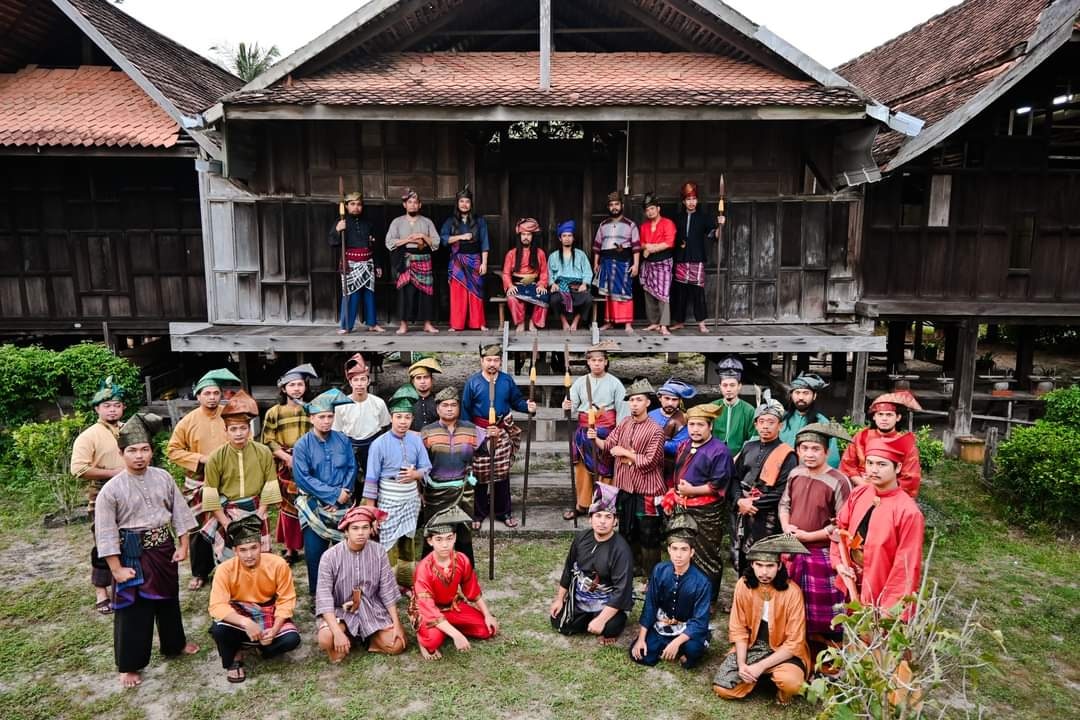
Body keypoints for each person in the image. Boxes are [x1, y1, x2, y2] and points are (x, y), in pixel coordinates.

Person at [94, 413, 199, 688]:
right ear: (121, 453)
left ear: (151, 451)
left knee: (168, 599)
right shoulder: (111, 490)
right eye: (132, 451)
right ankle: (129, 665)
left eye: (144, 450)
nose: (139, 456)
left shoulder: (163, 477)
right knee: (133, 610)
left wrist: (183, 544)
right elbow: (105, 533)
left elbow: (180, 512)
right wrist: (116, 568)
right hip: (132, 555)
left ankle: (174, 644)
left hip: (163, 550)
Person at [712, 534, 812, 705]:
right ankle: (757, 677)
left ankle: (776, 689)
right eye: (759, 565)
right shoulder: (743, 585)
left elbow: (794, 642)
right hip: (753, 647)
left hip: (783, 651)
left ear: (779, 566)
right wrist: (742, 664)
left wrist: (760, 666)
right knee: (722, 688)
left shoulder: (792, 592)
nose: (764, 572)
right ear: (752, 564)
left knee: (792, 684)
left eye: (770, 566)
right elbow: (739, 629)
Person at [831, 438, 925, 619]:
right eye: (870, 463)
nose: (873, 470)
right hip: (851, 582)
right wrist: (840, 564)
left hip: (880, 587)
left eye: (882, 464)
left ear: (897, 468)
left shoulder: (908, 512)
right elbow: (840, 529)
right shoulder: (859, 493)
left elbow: (905, 567)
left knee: (874, 641)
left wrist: (889, 611)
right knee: (850, 635)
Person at [167, 367, 242, 590]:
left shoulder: (229, 415)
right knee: (198, 527)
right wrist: (200, 458)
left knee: (229, 522)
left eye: (215, 393)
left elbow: (242, 438)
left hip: (227, 478)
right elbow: (173, 450)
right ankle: (200, 572)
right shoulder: (187, 421)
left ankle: (231, 566)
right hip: (198, 480)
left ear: (221, 395)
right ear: (198, 396)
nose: (211, 397)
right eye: (206, 393)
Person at [780, 422, 852, 650]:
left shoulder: (839, 481)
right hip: (792, 545)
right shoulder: (795, 473)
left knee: (823, 605)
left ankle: (825, 643)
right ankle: (794, 639)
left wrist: (810, 536)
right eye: (805, 448)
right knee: (791, 598)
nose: (809, 454)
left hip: (821, 551)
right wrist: (786, 527)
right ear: (798, 451)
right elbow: (785, 503)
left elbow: (842, 523)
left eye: (815, 449)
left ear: (826, 452)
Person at [208, 515, 300, 683]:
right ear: (235, 551)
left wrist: (274, 629)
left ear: (261, 546)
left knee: (292, 639)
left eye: (253, 548)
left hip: (268, 611)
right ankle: (235, 657)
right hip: (240, 611)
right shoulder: (224, 569)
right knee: (219, 629)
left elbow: (286, 600)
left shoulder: (278, 564)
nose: (249, 555)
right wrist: (246, 623)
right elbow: (217, 606)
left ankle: (258, 647)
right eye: (243, 550)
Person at [589, 378, 666, 578]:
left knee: (649, 534)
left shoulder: (656, 430)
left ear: (648, 402)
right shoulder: (624, 423)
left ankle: (652, 575)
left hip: (647, 490)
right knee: (626, 529)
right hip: (624, 486)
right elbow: (609, 445)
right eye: (631, 400)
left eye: (638, 400)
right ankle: (630, 568)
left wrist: (626, 453)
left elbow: (650, 461)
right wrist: (595, 438)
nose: (634, 404)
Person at [661, 403, 734, 602]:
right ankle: (684, 593)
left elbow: (718, 484)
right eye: (692, 424)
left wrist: (692, 490)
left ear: (710, 426)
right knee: (681, 549)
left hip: (706, 510)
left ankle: (708, 600)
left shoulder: (720, 451)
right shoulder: (684, 445)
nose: (695, 429)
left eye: (700, 425)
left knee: (706, 555)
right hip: (681, 506)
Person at [316, 505, 407, 662]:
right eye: (355, 528)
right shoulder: (329, 557)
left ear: (371, 529)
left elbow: (387, 590)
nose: (360, 533)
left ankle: (368, 636)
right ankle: (347, 635)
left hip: (371, 609)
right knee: (326, 638)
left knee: (397, 645)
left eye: (365, 527)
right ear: (346, 531)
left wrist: (396, 623)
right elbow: (324, 597)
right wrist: (337, 633)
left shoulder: (378, 551)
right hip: (340, 611)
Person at [363, 386, 432, 589]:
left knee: (408, 542)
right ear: (392, 418)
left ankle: (407, 583)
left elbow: (427, 467)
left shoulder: (416, 440)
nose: (403, 422)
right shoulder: (379, 444)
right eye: (399, 417)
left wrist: (415, 474)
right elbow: (371, 479)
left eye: (408, 417)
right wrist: (371, 510)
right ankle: (388, 586)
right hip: (388, 500)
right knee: (388, 544)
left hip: (410, 499)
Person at [461, 342, 536, 529]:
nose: (492, 364)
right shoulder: (473, 382)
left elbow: (516, 400)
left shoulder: (506, 380)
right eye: (488, 360)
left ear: (500, 362)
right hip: (480, 432)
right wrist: (470, 434)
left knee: (501, 474)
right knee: (478, 474)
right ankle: (478, 513)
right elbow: (465, 410)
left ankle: (503, 512)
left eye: (495, 360)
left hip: (501, 431)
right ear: (481, 361)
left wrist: (527, 406)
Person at [201, 390, 281, 564]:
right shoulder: (216, 457)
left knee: (260, 555)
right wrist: (225, 522)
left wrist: (260, 514)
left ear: (249, 430)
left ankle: (262, 588)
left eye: (243, 428)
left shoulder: (263, 452)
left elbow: (270, 484)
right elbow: (210, 493)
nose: (239, 433)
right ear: (226, 431)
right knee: (231, 559)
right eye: (234, 429)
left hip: (257, 508)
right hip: (229, 512)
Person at [411, 506, 499, 660]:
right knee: (432, 642)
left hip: (452, 606)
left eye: (449, 538)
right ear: (430, 541)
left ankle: (447, 627)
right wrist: (456, 635)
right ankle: (424, 637)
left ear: (455, 538)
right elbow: (428, 608)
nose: (445, 545)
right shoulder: (423, 569)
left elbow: (472, 591)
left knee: (487, 630)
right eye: (439, 539)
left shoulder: (462, 560)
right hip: (428, 611)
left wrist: (487, 615)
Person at [550, 485, 634, 645]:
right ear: (590, 518)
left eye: (608, 517)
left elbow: (622, 590)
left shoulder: (621, 549)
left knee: (610, 628)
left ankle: (611, 618)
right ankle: (587, 618)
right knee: (559, 622)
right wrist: (559, 599)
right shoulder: (581, 538)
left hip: (606, 602)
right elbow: (569, 569)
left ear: (615, 521)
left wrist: (601, 620)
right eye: (598, 516)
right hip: (582, 597)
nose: (602, 521)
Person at [293, 388, 357, 597]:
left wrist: (342, 495)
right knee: (315, 555)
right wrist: (331, 495)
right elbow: (303, 477)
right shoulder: (302, 445)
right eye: (321, 417)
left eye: (330, 416)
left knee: (344, 554)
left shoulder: (342, 440)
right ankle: (317, 595)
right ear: (312, 418)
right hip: (314, 506)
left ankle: (342, 593)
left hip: (342, 504)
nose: (326, 421)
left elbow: (351, 467)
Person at [71, 376, 126, 614]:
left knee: (128, 538)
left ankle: (123, 585)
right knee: (104, 541)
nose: (112, 409)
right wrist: (114, 472)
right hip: (101, 492)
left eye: (116, 405)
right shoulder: (89, 435)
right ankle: (101, 591)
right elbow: (79, 469)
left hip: (129, 491)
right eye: (107, 405)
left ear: (123, 407)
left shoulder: (129, 429)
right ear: (97, 408)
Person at [630, 514, 713, 669]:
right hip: (664, 624)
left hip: (687, 627)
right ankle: (666, 645)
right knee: (640, 655)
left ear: (692, 552)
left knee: (692, 653)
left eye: (684, 549)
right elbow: (650, 605)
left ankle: (688, 644)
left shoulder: (702, 582)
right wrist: (641, 638)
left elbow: (700, 620)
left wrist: (676, 642)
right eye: (674, 548)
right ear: (668, 550)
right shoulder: (660, 570)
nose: (679, 555)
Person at [731, 391, 798, 574]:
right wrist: (739, 500)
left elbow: (783, 491)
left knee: (763, 558)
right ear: (755, 424)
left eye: (771, 422)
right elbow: (734, 478)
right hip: (742, 510)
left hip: (767, 515)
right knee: (740, 556)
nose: (765, 427)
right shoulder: (748, 447)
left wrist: (753, 503)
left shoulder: (788, 455)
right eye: (761, 422)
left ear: (780, 425)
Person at [561, 342, 627, 520]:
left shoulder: (615, 383)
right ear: (588, 363)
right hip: (584, 432)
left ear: (606, 362)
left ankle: (604, 505)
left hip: (607, 432)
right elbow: (572, 407)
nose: (597, 363)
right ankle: (582, 505)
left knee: (606, 469)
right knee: (583, 469)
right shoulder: (580, 383)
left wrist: (619, 434)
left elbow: (622, 410)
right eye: (593, 360)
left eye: (600, 360)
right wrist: (567, 405)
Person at [420, 386, 484, 566]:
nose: (449, 408)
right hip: (435, 492)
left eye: (453, 405)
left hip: (464, 490)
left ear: (459, 407)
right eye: (445, 405)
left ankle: (466, 572)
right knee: (433, 533)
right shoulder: (427, 432)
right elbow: (420, 464)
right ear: (437, 408)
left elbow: (487, 452)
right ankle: (429, 573)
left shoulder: (472, 430)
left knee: (464, 535)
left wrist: (493, 438)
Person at [261, 364, 318, 564]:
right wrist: (287, 458)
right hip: (285, 465)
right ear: (283, 389)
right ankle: (290, 548)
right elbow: (268, 439)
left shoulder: (311, 410)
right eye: (291, 385)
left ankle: (312, 543)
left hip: (309, 462)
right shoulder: (275, 412)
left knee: (309, 503)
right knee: (288, 506)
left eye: (300, 384)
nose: (296, 389)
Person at [840, 391, 923, 498]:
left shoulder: (905, 443)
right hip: (860, 489)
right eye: (880, 414)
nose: (884, 419)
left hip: (891, 495)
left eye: (889, 415)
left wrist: (881, 490)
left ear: (898, 417)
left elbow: (910, 478)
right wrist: (865, 485)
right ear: (874, 417)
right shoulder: (862, 436)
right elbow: (847, 466)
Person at [386, 187, 440, 335]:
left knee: (426, 293)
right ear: (405, 205)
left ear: (420, 205)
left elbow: (436, 243)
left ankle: (427, 324)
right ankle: (404, 325)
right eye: (409, 202)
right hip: (405, 259)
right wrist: (408, 240)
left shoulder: (427, 222)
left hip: (423, 259)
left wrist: (423, 236)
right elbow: (389, 242)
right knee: (405, 293)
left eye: (415, 202)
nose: (413, 205)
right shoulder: (397, 222)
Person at [332, 354, 391, 491]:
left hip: (373, 445)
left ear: (368, 381)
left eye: (362, 379)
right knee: (350, 483)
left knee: (374, 481)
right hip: (349, 445)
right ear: (350, 382)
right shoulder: (341, 405)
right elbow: (337, 431)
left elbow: (384, 426)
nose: (359, 384)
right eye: (356, 380)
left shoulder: (378, 403)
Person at [329, 190, 384, 334]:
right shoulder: (341, 222)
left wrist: (377, 264)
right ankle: (346, 326)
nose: (356, 207)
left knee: (369, 294)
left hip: (368, 262)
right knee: (350, 295)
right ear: (346, 206)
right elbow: (332, 242)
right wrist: (337, 230)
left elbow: (374, 246)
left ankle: (372, 323)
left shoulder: (368, 224)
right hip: (351, 263)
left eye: (359, 204)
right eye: (352, 204)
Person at [670, 181, 719, 333]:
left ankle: (701, 323)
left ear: (697, 200)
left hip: (697, 258)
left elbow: (714, 235)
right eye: (688, 199)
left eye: (694, 199)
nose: (691, 202)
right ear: (684, 201)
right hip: (681, 257)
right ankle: (679, 321)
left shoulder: (704, 217)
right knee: (680, 291)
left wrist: (720, 226)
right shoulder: (677, 218)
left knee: (698, 292)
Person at [441, 185, 490, 332]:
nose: (464, 204)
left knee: (476, 292)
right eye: (461, 201)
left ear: (471, 204)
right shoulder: (450, 221)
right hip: (457, 260)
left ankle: (479, 323)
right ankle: (457, 324)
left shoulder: (479, 221)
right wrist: (461, 236)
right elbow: (443, 239)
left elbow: (485, 242)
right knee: (458, 292)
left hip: (475, 259)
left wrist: (484, 263)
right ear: (457, 203)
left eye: (467, 201)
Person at [593, 191, 640, 334]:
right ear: (609, 207)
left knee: (625, 292)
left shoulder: (630, 225)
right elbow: (597, 246)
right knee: (608, 294)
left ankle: (627, 323)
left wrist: (636, 264)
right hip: (606, 262)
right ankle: (609, 322)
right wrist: (596, 263)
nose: (614, 207)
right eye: (611, 205)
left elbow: (636, 247)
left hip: (623, 263)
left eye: (616, 204)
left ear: (622, 205)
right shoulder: (603, 225)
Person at [779, 373, 840, 469]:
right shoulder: (781, 421)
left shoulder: (823, 423)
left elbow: (832, 459)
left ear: (814, 396)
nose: (801, 397)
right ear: (791, 395)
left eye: (806, 393)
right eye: (797, 393)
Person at [639, 192, 677, 335]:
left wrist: (652, 248)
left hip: (663, 262)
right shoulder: (644, 226)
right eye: (647, 210)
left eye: (652, 209)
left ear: (658, 209)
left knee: (663, 294)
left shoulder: (668, 223)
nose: (650, 212)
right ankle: (654, 322)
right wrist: (646, 247)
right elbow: (641, 243)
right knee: (649, 293)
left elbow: (669, 242)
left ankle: (664, 324)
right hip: (649, 263)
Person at [502, 217, 549, 332]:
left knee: (544, 297)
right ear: (519, 236)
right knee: (512, 298)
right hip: (517, 284)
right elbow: (506, 273)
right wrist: (510, 285)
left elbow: (544, 272)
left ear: (533, 236)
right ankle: (520, 322)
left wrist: (542, 284)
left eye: (528, 234)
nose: (526, 237)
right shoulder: (511, 254)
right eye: (523, 234)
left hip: (533, 284)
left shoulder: (540, 253)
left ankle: (533, 322)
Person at [547, 220, 593, 331]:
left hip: (577, 286)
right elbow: (549, 273)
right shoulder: (553, 256)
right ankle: (563, 321)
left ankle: (576, 321)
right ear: (560, 238)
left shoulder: (581, 254)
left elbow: (587, 271)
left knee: (588, 299)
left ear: (573, 238)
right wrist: (552, 283)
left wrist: (585, 283)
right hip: (560, 286)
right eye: (564, 236)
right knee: (554, 300)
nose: (567, 238)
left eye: (569, 235)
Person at [649, 378, 696, 486]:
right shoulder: (650, 415)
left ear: (679, 401)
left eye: (674, 400)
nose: (670, 403)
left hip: (672, 468)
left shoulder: (683, 419)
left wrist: (656, 443)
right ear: (660, 398)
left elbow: (681, 446)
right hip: (650, 467)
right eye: (667, 398)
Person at [709, 357, 756, 456]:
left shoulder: (749, 410)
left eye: (732, 385)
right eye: (725, 385)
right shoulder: (712, 407)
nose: (728, 389)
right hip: (713, 455)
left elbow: (753, 439)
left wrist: (739, 457)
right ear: (720, 387)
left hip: (739, 457)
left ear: (739, 386)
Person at [397, 356, 442, 431]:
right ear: (412, 381)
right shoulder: (405, 402)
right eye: (418, 378)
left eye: (426, 377)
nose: (422, 381)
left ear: (432, 380)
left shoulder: (439, 401)